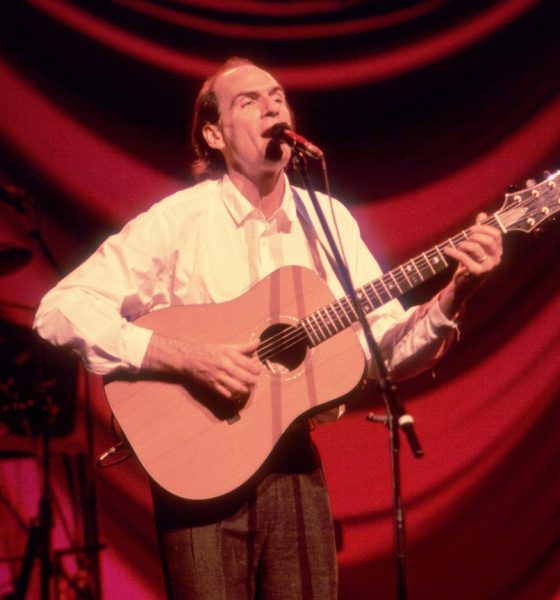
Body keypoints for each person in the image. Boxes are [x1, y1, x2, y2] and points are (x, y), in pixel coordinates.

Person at [34, 57, 502, 599]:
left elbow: (383, 350)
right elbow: (61, 308)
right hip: (196, 472)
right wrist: (181, 356)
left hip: (295, 465)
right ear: (214, 134)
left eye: (277, 95)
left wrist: (455, 293)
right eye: (248, 101)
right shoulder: (177, 222)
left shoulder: (327, 219)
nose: (272, 105)